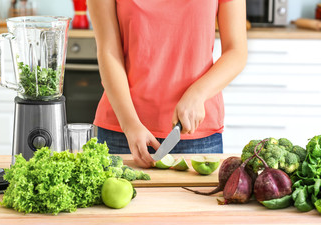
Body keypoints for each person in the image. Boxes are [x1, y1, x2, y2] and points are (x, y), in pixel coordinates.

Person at [88, 0, 247, 168]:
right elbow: (109, 51)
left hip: (197, 135)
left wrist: (198, 94)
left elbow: (236, 52)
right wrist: (130, 124)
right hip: (124, 132)